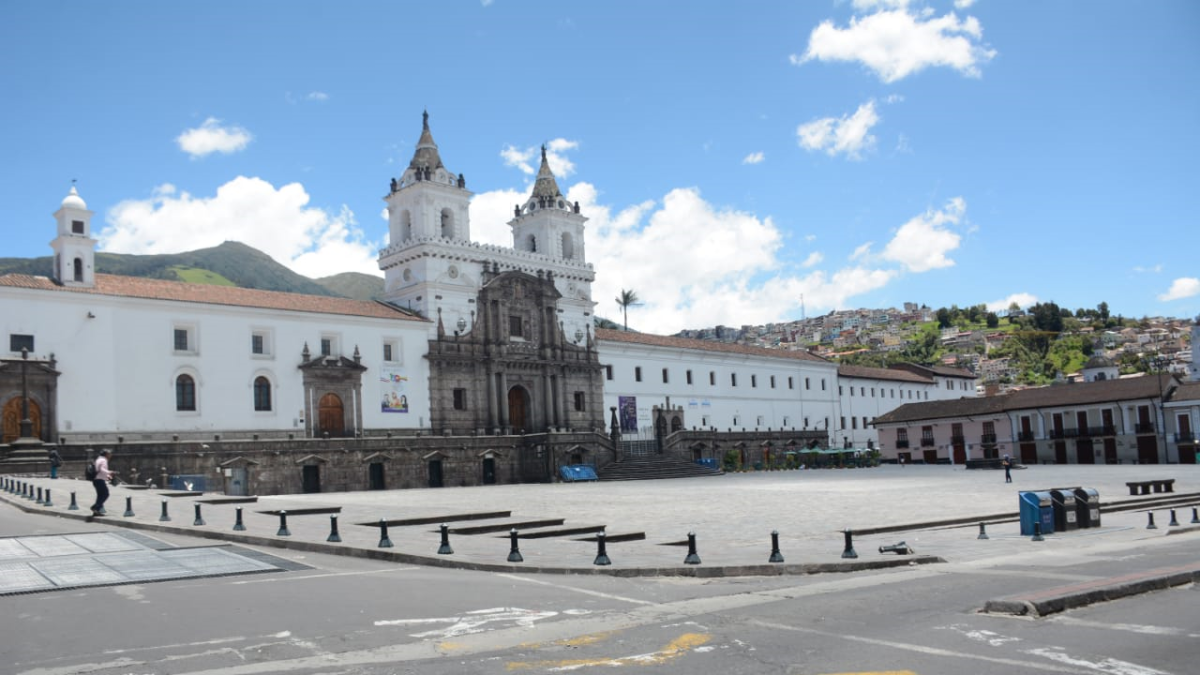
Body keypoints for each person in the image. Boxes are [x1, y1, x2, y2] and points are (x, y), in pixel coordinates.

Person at [87, 449, 114, 520]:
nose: (111, 455)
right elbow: (102, 469)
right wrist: (109, 472)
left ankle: (96, 511)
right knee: (106, 494)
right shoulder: (103, 460)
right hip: (99, 480)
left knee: (100, 495)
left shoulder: (98, 459)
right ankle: (95, 507)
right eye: (110, 454)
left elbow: (99, 471)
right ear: (106, 454)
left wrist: (108, 476)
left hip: (96, 480)